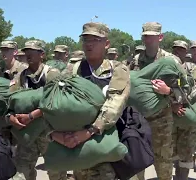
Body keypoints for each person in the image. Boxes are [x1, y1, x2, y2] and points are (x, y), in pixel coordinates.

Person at [60, 22, 130, 180]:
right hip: (77, 142)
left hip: (108, 139)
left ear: (106, 44)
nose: (89, 44)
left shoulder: (118, 69)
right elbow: (58, 100)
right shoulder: (73, 69)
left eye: (95, 40)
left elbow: (115, 103)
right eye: (85, 40)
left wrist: (91, 130)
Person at [130, 22, 182, 180]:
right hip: (138, 118)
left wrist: (168, 91)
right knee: (137, 156)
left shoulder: (171, 60)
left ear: (160, 37)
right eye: (145, 36)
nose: (147, 40)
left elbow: (184, 89)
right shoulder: (137, 60)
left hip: (162, 118)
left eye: (151, 37)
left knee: (163, 158)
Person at [8, 40, 64, 180]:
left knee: (56, 172)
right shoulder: (21, 76)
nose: (28, 55)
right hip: (28, 133)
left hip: (50, 132)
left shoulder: (52, 74)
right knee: (21, 172)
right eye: (26, 52)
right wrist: (10, 116)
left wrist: (32, 115)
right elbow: (10, 100)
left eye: (32, 52)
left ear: (42, 55)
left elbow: (58, 102)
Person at [172, 40, 196, 177]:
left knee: (187, 148)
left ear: (186, 52)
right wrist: (172, 103)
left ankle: (182, 177)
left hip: (187, 111)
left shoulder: (193, 68)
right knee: (170, 149)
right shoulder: (167, 66)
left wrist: (182, 101)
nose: (178, 52)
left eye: (181, 50)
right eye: (175, 49)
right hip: (170, 113)